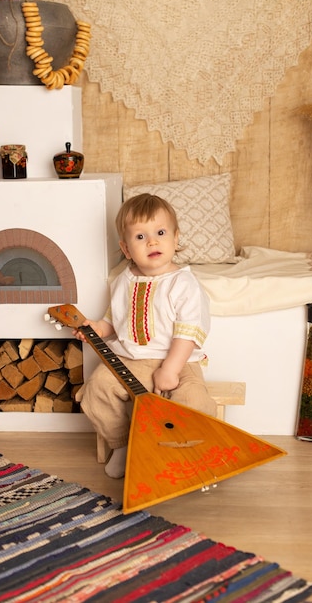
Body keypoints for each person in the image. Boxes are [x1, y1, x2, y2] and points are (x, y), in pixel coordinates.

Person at [73, 193, 217, 478]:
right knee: (97, 387)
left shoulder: (183, 283)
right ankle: (123, 444)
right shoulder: (123, 281)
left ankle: (185, 452)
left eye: (160, 233)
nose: (152, 242)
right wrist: (95, 329)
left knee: (193, 400)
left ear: (176, 240)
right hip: (131, 360)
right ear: (126, 249)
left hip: (178, 361)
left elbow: (187, 334)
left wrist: (170, 370)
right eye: (140, 237)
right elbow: (115, 321)